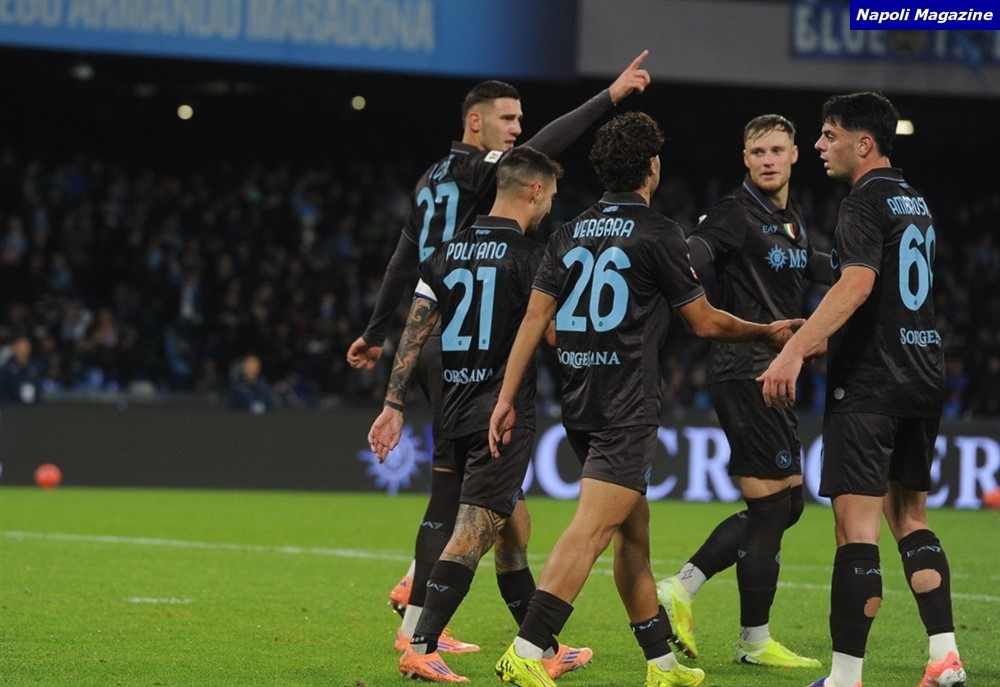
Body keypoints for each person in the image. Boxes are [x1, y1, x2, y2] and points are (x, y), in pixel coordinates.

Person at [346, 51, 652, 654]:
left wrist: (377, 331)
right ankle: (423, 630)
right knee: (469, 498)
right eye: (507, 119)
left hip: (436, 333)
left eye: (518, 119)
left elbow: (406, 259)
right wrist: (609, 98)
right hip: (473, 341)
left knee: (498, 511)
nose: (517, 129)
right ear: (475, 122)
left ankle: (457, 623)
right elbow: (536, 157)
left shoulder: (431, 179)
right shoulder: (480, 170)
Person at [488, 112, 803, 687]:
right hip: (625, 406)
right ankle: (527, 650)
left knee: (633, 536)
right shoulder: (658, 233)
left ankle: (662, 664)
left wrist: (506, 397)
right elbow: (704, 322)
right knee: (591, 529)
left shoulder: (569, 230)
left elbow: (535, 319)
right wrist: (765, 332)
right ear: (652, 167)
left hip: (580, 400)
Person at [758, 92, 966, 687]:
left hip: (870, 385)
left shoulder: (862, 201)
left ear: (863, 142)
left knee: (856, 529)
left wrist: (794, 350)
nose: (819, 146)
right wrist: (824, 338)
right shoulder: (913, 199)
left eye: (829, 135)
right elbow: (891, 298)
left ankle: (845, 678)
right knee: (911, 516)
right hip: (921, 375)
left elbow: (856, 284)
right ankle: (945, 656)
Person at [368, 147, 590, 683]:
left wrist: (393, 404)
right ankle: (421, 646)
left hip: (452, 405)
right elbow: (553, 336)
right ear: (534, 190)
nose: (550, 206)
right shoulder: (535, 258)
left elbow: (414, 332)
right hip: (501, 415)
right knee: (473, 530)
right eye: (551, 196)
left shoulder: (445, 252)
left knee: (514, 527)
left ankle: (546, 646)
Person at [654, 114, 831, 668]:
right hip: (746, 369)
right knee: (775, 504)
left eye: (777, 150)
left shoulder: (790, 219)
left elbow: (809, 263)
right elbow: (693, 254)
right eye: (758, 152)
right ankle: (740, 630)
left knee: (784, 503)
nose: (768, 160)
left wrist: (865, 268)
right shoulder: (734, 212)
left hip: (771, 370)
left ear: (795, 155)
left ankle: (693, 594)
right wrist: (677, 264)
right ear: (745, 158)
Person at [0, 335, 43, 405]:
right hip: (12, 407)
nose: (25, 349)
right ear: (15, 348)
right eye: (22, 346)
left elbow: (39, 389)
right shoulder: (6, 369)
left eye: (27, 346)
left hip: (33, 407)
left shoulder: (35, 367)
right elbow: (3, 392)